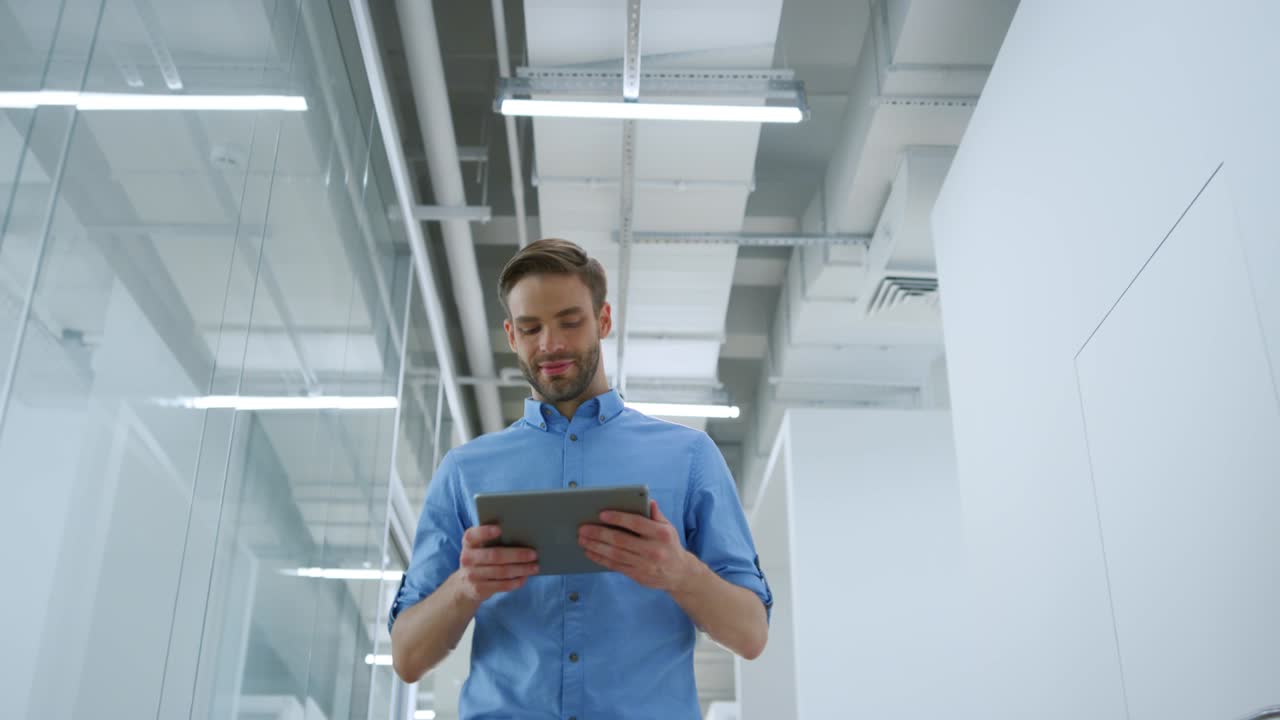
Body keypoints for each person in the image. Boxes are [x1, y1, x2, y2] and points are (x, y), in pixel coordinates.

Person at [388, 238, 772, 719]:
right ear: (511, 335)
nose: (550, 344)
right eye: (531, 328)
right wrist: (466, 585)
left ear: (603, 320)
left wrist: (679, 572)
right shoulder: (465, 470)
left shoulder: (690, 457)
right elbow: (407, 657)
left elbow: (752, 634)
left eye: (570, 322)